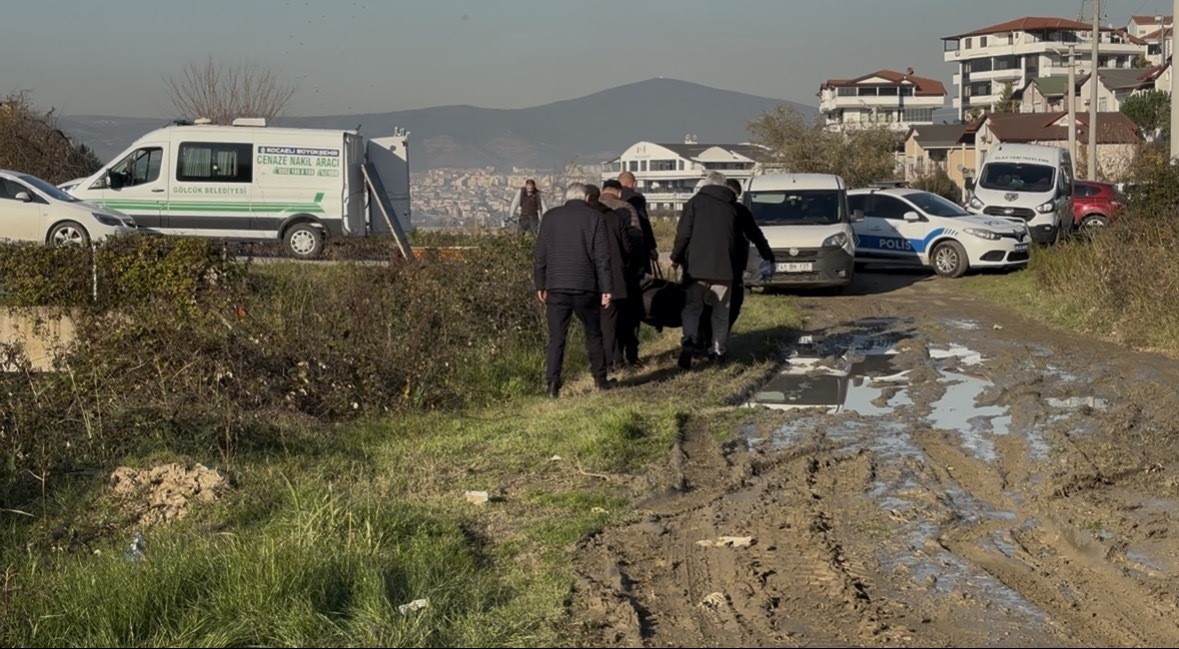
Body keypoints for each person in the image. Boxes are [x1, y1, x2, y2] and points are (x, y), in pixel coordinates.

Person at [534, 182, 614, 398]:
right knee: (593, 334)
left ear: (566, 197)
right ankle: (600, 379)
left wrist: (540, 284)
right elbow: (602, 257)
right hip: (585, 286)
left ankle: (552, 384)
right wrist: (607, 288)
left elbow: (540, 253)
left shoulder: (550, 217)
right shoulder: (595, 217)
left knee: (557, 337)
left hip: (556, 286)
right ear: (587, 198)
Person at [670, 172, 744, 370]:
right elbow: (737, 241)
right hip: (724, 269)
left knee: (692, 308)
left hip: (696, 269)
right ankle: (718, 352)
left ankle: (689, 342)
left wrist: (675, 258)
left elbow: (684, 234)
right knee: (721, 311)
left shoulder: (694, 203)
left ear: (705, 184)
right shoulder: (732, 208)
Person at [697, 178, 775, 348]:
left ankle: (703, 341)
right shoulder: (739, 211)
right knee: (729, 307)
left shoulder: (702, 208)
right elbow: (756, 235)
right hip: (731, 268)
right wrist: (768, 257)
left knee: (703, 306)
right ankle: (715, 343)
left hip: (699, 267)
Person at [588, 183, 640, 372]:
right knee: (612, 323)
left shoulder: (584, 218)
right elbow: (628, 247)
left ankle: (596, 364)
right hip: (614, 278)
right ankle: (611, 362)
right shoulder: (616, 216)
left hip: (586, 280)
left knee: (593, 326)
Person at [600, 179, 646, 366]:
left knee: (606, 320)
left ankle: (612, 358)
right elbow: (635, 240)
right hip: (625, 273)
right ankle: (631, 356)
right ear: (619, 192)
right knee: (629, 316)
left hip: (598, 275)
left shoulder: (592, 209)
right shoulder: (626, 208)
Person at [618, 171, 658, 269]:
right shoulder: (637, 198)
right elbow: (644, 222)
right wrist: (652, 248)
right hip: (637, 243)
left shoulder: (615, 198)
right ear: (633, 183)